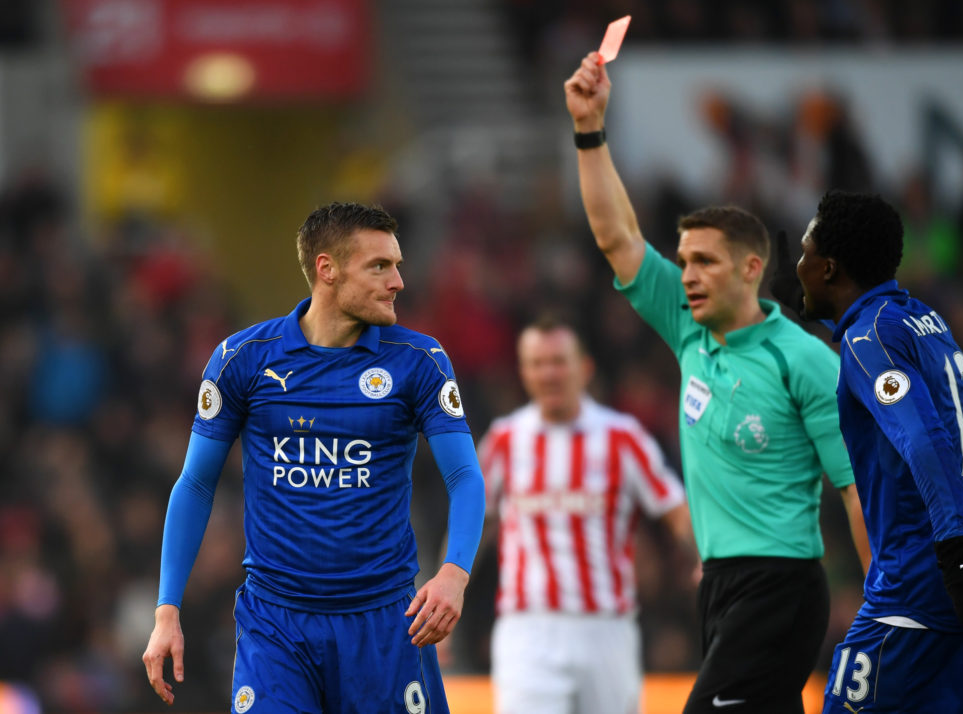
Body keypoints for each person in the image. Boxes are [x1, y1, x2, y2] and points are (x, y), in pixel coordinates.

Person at [564, 52, 872, 714]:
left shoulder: (806, 360)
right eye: (684, 262)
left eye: (705, 261)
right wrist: (589, 129)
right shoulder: (688, 327)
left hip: (781, 586)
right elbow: (616, 235)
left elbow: (856, 490)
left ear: (751, 268)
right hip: (720, 586)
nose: (689, 275)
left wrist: (884, 605)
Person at [141, 202, 486, 713]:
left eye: (398, 266)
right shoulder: (243, 360)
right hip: (276, 624)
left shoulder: (418, 360)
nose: (398, 282)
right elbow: (195, 485)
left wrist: (454, 574)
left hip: (384, 624)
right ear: (327, 270)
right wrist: (167, 609)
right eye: (379, 267)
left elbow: (464, 476)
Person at [781, 189, 963, 713]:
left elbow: (921, 436)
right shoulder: (923, 320)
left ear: (828, 268)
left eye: (804, 253)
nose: (797, 264)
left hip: (925, 581)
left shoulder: (869, 339)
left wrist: (953, 550)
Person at [478, 316, 690, 714]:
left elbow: (675, 511)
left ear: (584, 368)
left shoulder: (622, 437)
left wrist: (706, 565)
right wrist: (447, 592)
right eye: (537, 363)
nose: (549, 373)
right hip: (527, 628)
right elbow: (475, 524)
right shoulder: (504, 440)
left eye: (558, 361)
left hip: (606, 627)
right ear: (523, 371)